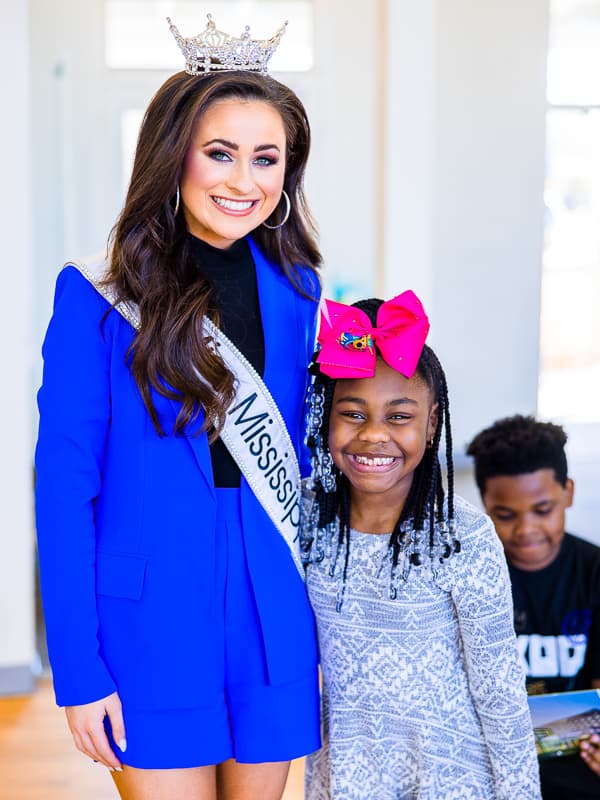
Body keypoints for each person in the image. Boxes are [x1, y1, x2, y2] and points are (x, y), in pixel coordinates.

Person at [35, 13, 322, 800]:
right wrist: (78, 668)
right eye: (220, 153)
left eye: (267, 159)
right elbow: (64, 492)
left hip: (271, 607)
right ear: (174, 157)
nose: (244, 181)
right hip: (149, 616)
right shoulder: (97, 296)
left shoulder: (300, 291)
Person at [300, 293, 541, 800]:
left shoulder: (463, 537)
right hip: (346, 774)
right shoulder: (305, 517)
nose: (373, 436)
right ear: (326, 419)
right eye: (353, 413)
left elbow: (500, 693)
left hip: (451, 779)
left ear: (432, 426)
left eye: (399, 416)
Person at [467, 415, 600, 799]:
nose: (525, 530)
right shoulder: (470, 576)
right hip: (488, 775)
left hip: (580, 776)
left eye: (542, 509)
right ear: (486, 505)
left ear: (568, 493)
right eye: (505, 515)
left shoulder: (594, 573)